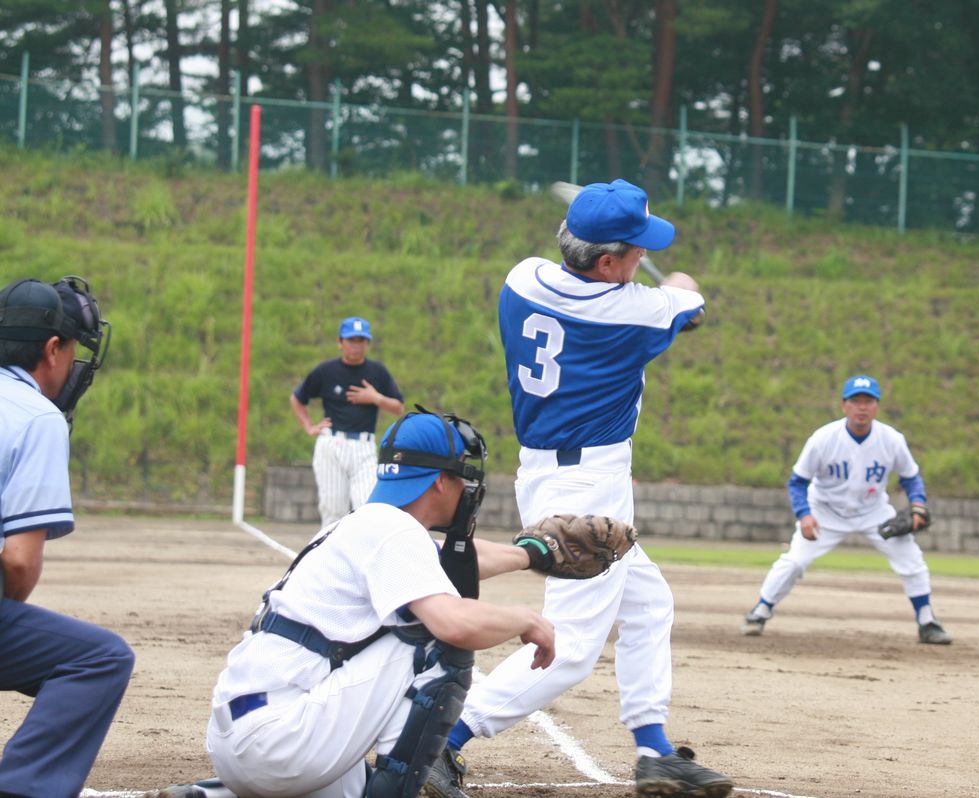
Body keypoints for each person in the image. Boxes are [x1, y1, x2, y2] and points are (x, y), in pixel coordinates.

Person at [426, 179, 733, 798]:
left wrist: (651, 282)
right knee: (569, 647)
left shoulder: (522, 277)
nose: (643, 259)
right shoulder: (632, 311)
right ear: (606, 261)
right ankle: (441, 740)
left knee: (649, 604)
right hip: (589, 484)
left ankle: (655, 751)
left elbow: (651, 295)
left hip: (548, 471)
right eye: (635, 252)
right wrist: (679, 286)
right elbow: (690, 303)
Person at [158, 409, 556, 798]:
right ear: (439, 481)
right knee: (436, 643)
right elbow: (455, 624)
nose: (467, 489)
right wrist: (524, 619)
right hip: (280, 744)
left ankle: (211, 795)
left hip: (246, 739)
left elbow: (458, 560)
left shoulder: (362, 524)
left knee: (356, 785)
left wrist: (531, 555)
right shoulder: (394, 533)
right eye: (462, 476)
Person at [0, 276, 135, 798]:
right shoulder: (37, 417)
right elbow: (17, 562)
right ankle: (22, 788)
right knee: (100, 659)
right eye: (73, 346)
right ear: (52, 348)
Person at [740, 375, 952, 645]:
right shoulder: (824, 438)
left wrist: (918, 505)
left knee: (912, 560)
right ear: (844, 405)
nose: (862, 407)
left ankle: (927, 621)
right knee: (794, 561)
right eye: (856, 401)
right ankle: (760, 610)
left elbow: (911, 477)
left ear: (877, 406)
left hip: (874, 511)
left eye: (868, 401)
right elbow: (797, 482)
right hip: (824, 511)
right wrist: (804, 514)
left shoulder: (891, 439)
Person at [290, 316, 406, 527]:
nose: (356, 346)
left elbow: (399, 407)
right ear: (340, 342)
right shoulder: (326, 371)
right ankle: (331, 557)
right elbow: (298, 398)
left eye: (361, 340)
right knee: (333, 508)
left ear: (367, 344)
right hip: (332, 443)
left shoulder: (377, 372)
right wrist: (308, 426)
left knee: (366, 506)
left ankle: (361, 556)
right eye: (351, 340)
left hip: (363, 445)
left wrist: (376, 398)